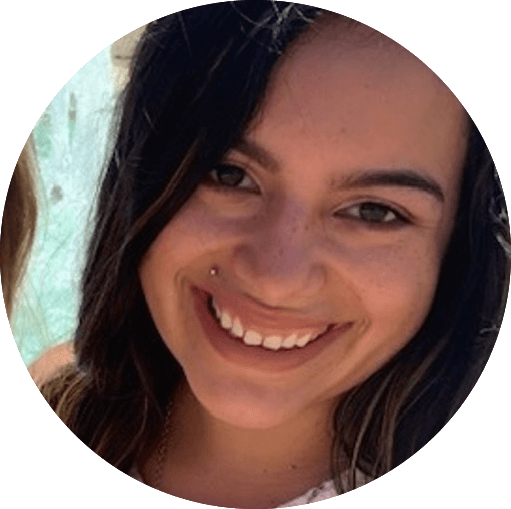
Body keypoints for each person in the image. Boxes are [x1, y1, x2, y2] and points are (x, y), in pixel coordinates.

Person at [10, 3, 510, 508]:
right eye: (229, 174)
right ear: (142, 178)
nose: (275, 278)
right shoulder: (65, 399)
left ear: (459, 251)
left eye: (374, 212)